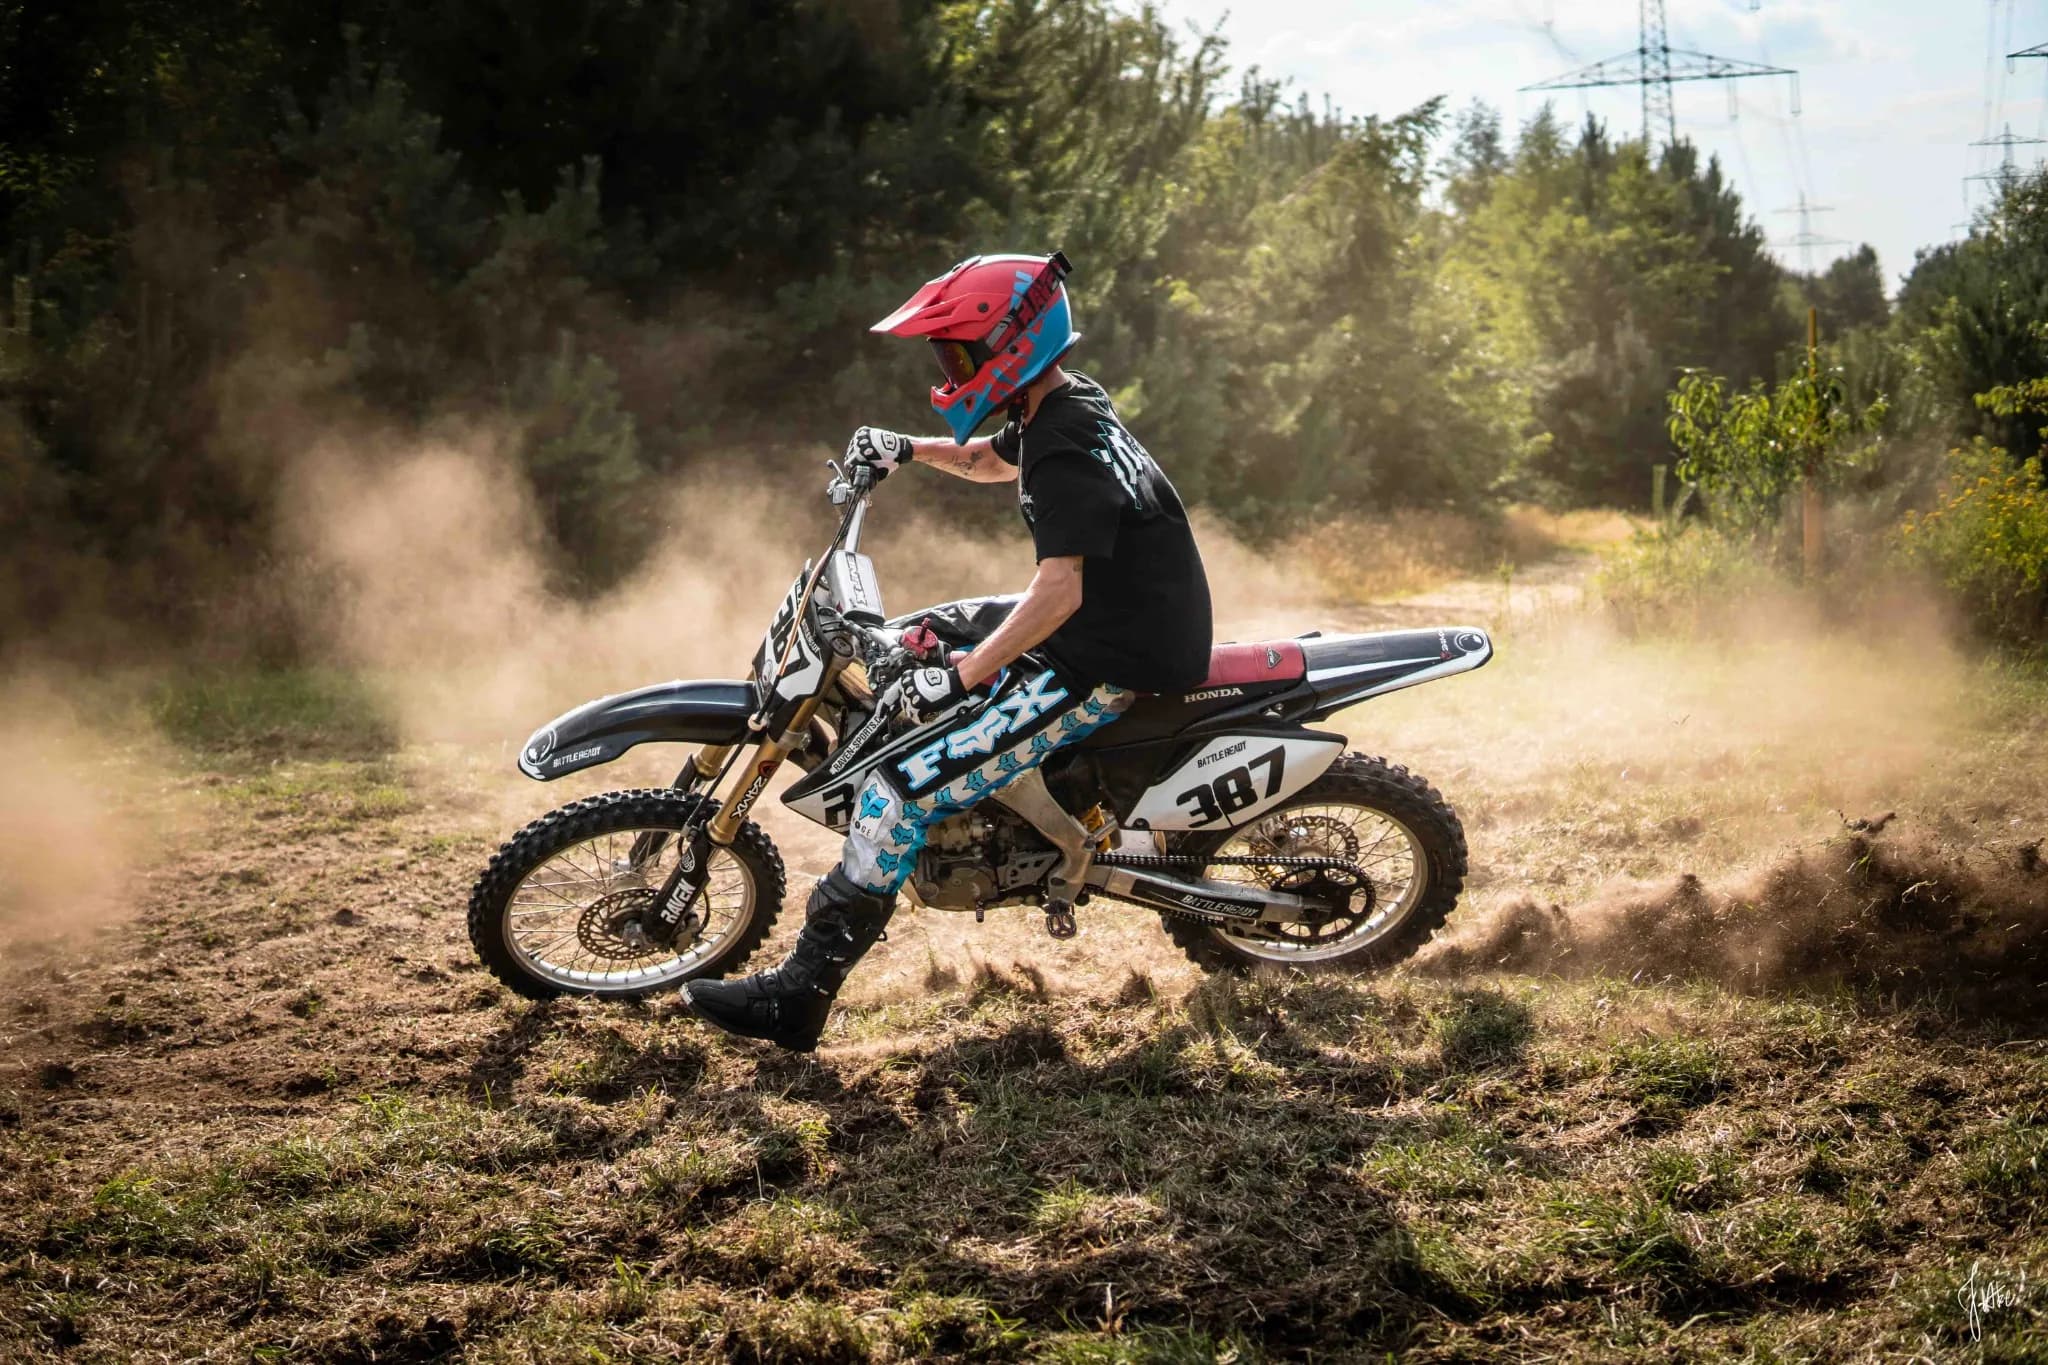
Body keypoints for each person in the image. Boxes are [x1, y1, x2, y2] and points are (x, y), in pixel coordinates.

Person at [683, 251, 1213, 1051]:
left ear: (1013, 343)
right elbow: (994, 460)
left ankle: (798, 998)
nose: (948, 367)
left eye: (959, 354)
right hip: (1106, 619)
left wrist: (962, 675)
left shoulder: (1065, 441)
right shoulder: (1061, 406)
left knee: (897, 795)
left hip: (1104, 656)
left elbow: (1058, 592)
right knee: (915, 635)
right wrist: (907, 449)